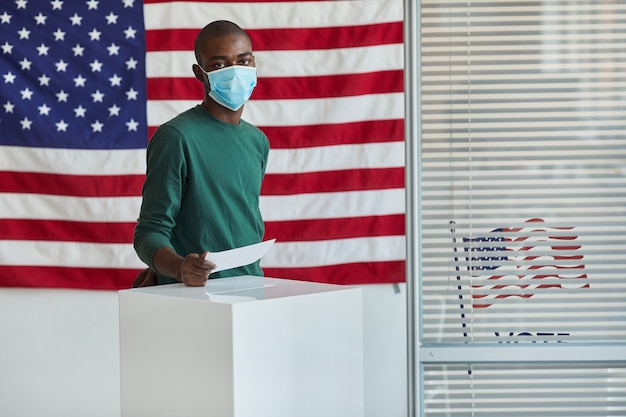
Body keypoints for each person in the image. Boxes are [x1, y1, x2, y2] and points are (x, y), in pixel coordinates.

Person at [133, 20, 269, 287]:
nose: (234, 72)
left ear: (254, 65)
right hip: (195, 295)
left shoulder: (258, 141)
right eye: (219, 65)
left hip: (251, 289)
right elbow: (149, 231)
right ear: (200, 73)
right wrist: (177, 268)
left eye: (243, 61)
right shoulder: (176, 137)